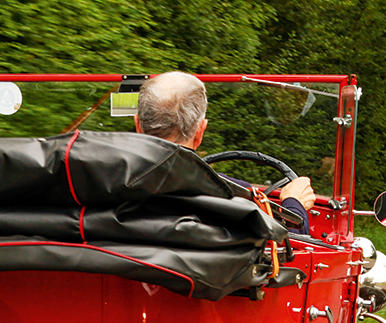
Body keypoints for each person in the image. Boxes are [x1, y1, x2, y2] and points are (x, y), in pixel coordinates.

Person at [133, 71, 316, 234]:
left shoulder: (110, 186)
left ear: (138, 125)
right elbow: (291, 242)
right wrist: (294, 204)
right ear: (200, 132)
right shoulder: (231, 196)